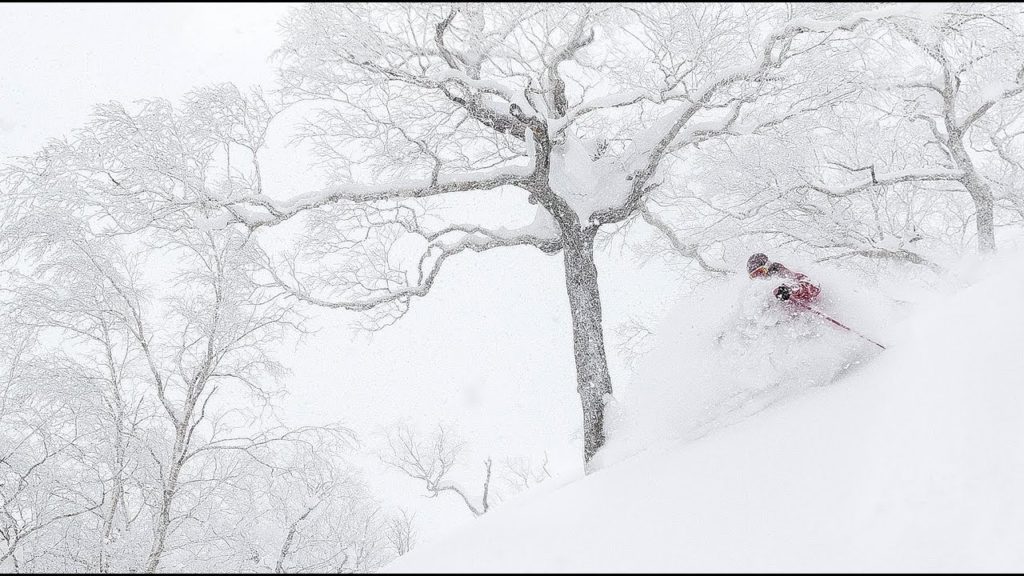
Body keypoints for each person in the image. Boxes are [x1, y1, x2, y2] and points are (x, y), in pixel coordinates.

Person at [746, 253, 821, 305]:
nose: (760, 278)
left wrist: (790, 290)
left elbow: (814, 287)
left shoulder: (786, 275)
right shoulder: (760, 295)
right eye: (755, 276)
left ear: (767, 267)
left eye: (760, 272)